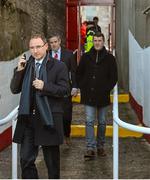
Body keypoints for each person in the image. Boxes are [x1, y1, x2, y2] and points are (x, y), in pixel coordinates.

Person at [10, 34, 69, 179]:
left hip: (49, 119)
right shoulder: (26, 65)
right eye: (31, 47)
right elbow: (14, 89)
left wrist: (45, 86)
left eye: (38, 47)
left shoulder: (58, 66)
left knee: (52, 165)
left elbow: (65, 90)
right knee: (25, 160)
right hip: (28, 119)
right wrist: (19, 71)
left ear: (46, 47)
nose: (35, 51)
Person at [77, 32, 117, 160]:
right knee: (89, 121)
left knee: (102, 122)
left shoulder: (110, 58)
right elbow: (79, 73)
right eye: (95, 40)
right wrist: (83, 86)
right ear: (93, 42)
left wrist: (106, 88)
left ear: (103, 41)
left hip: (103, 95)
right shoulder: (86, 57)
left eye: (99, 40)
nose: (97, 42)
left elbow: (114, 77)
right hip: (88, 95)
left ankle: (100, 146)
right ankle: (90, 148)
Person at [48, 34, 78, 145]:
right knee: (51, 114)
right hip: (51, 90)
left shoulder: (69, 55)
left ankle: (66, 134)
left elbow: (74, 71)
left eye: (55, 42)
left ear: (59, 41)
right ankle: (55, 137)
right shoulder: (47, 55)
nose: (53, 44)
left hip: (65, 89)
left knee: (66, 116)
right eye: (51, 42)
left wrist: (75, 86)